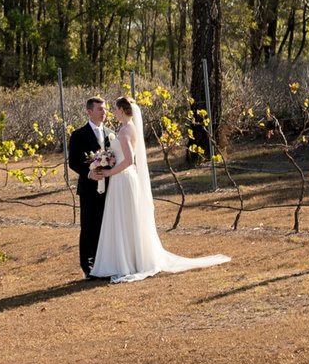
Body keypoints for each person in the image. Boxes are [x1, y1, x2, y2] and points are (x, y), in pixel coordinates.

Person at [88, 95, 229, 283]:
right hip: (122, 178)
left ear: (122, 110)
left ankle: (127, 263)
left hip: (122, 178)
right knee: (126, 219)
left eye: (115, 108)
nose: (113, 112)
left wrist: (109, 171)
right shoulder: (129, 129)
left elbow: (129, 160)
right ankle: (127, 259)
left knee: (124, 218)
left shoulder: (124, 131)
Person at [63, 96, 114, 275]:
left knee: (106, 225)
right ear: (89, 111)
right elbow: (73, 162)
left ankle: (104, 263)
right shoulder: (79, 134)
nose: (104, 112)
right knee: (89, 226)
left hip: (109, 187)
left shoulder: (110, 133)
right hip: (88, 188)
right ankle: (88, 267)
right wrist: (89, 172)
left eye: (105, 109)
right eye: (100, 109)